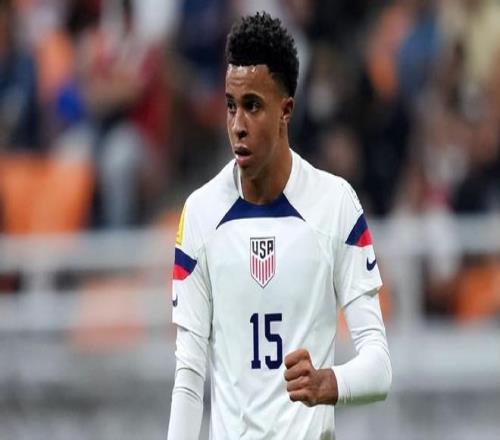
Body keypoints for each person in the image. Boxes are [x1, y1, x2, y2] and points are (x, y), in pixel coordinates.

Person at [167, 12, 392, 439]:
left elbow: (379, 367)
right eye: (230, 106)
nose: (237, 125)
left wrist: (329, 383)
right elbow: (189, 375)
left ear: (286, 110)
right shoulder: (200, 213)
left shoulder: (335, 205)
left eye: (252, 106)